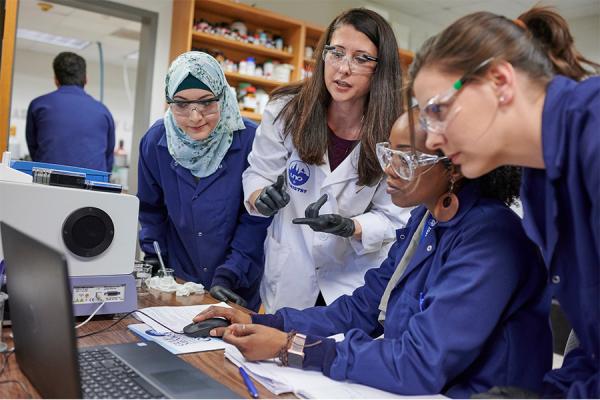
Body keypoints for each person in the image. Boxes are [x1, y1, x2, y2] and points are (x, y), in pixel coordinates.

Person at [193, 108, 553, 397]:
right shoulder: (425, 220)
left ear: (454, 167)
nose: (389, 170)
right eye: (388, 153)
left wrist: (293, 347)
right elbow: (363, 308)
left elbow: (420, 363)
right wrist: (262, 322)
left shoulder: (491, 238)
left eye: (406, 159)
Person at [409, 7, 599, 398]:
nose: (430, 141)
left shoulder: (594, 132)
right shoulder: (540, 182)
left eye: (438, 111)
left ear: (499, 80)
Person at [242, 8, 411, 313]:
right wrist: (261, 197)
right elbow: (258, 174)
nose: (343, 68)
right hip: (291, 272)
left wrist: (350, 227)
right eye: (336, 52)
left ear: (380, 69)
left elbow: (395, 218)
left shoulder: (394, 131)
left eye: (361, 58)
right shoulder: (286, 111)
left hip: (351, 279)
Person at [137, 52, 271, 311]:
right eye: (182, 104)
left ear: (223, 96)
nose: (195, 117)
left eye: (206, 103)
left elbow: (256, 221)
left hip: (237, 282)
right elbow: (151, 210)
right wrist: (155, 258)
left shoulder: (252, 141)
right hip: (177, 279)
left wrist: (230, 275)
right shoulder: (155, 143)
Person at [25, 52, 115, 172]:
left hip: (47, 185)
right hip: (93, 188)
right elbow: (108, 159)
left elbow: (34, 149)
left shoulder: (38, 106)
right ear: (86, 79)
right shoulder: (103, 112)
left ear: (56, 80)